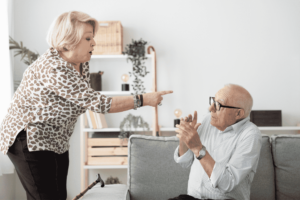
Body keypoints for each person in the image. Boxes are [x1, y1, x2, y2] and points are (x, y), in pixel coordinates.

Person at [0, 11, 172, 200]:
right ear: (68, 40)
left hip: (56, 138)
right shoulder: (54, 68)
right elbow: (100, 103)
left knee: (58, 196)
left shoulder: (81, 62)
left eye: (93, 37)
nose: (94, 43)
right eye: (88, 38)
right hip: (29, 137)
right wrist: (144, 99)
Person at [170, 84, 262, 200]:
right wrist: (184, 140)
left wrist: (198, 148)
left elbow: (227, 183)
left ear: (238, 113)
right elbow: (185, 162)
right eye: (213, 101)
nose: (210, 108)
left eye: (219, 105)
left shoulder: (250, 134)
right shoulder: (207, 119)